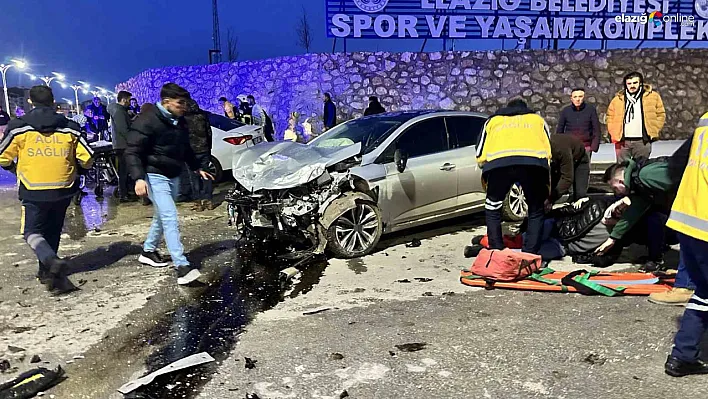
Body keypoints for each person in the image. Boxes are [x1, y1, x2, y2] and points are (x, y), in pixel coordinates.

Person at [0, 86, 94, 293]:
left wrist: (16, 169)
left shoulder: (18, 127)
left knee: (31, 231)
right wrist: (75, 170)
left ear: (31, 103)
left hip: (32, 188)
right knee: (53, 230)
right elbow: (87, 158)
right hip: (63, 187)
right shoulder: (71, 127)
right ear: (53, 102)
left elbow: (2, 156)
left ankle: (50, 261)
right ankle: (46, 272)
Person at [125, 83, 214, 285]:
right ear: (166, 102)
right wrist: (139, 178)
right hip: (154, 174)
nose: (184, 107)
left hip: (172, 174)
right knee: (170, 216)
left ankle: (148, 251)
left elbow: (186, 148)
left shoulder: (179, 122)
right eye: (180, 103)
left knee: (161, 215)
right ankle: (182, 266)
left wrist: (197, 167)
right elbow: (132, 151)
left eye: (185, 103)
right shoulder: (147, 120)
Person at [663, 113, 708, 377]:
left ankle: (683, 355)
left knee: (704, 290)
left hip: (687, 218)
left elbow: (676, 165)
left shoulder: (704, 120)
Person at [475, 98, 552, 254]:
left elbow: (480, 151)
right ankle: (529, 253)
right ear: (525, 108)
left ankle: (496, 250)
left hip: (499, 165)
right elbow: (548, 149)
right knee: (536, 209)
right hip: (532, 165)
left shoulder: (493, 121)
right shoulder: (537, 120)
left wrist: (486, 169)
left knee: (492, 206)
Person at [597, 154, 684, 271]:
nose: (616, 193)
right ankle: (655, 257)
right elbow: (632, 214)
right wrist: (613, 238)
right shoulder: (638, 184)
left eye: (615, 189)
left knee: (655, 219)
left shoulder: (646, 175)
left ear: (621, 181)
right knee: (652, 217)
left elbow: (684, 180)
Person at [607, 71, 666, 164]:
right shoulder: (618, 100)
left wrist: (654, 129)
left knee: (641, 168)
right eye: (629, 83)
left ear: (640, 83)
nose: (632, 86)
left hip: (642, 141)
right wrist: (614, 132)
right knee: (622, 170)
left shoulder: (652, 97)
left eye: (635, 83)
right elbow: (610, 117)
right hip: (623, 141)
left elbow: (661, 114)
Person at [184, 99, 214, 211]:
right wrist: (209, 148)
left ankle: (198, 203)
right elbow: (209, 133)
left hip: (191, 152)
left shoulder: (184, 118)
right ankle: (209, 201)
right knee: (206, 176)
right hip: (204, 149)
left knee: (194, 177)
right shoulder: (202, 115)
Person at [107, 90, 136, 202]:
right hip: (123, 145)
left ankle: (126, 192)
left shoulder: (120, 111)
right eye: (128, 100)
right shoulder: (119, 112)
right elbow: (123, 129)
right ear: (123, 100)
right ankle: (124, 195)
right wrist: (133, 140)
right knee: (124, 171)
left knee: (124, 170)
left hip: (121, 144)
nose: (129, 102)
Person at [556, 88, 600, 160]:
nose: (577, 99)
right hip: (569, 147)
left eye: (580, 96)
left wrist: (594, 147)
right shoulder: (566, 111)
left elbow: (596, 129)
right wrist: (560, 146)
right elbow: (560, 130)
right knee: (570, 170)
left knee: (584, 170)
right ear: (571, 98)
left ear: (584, 97)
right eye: (575, 97)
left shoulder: (590, 110)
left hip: (586, 147)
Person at [549, 134, 590, 203]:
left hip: (580, 159)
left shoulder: (561, 150)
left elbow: (567, 178)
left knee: (580, 195)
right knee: (552, 188)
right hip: (558, 160)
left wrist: (551, 199)